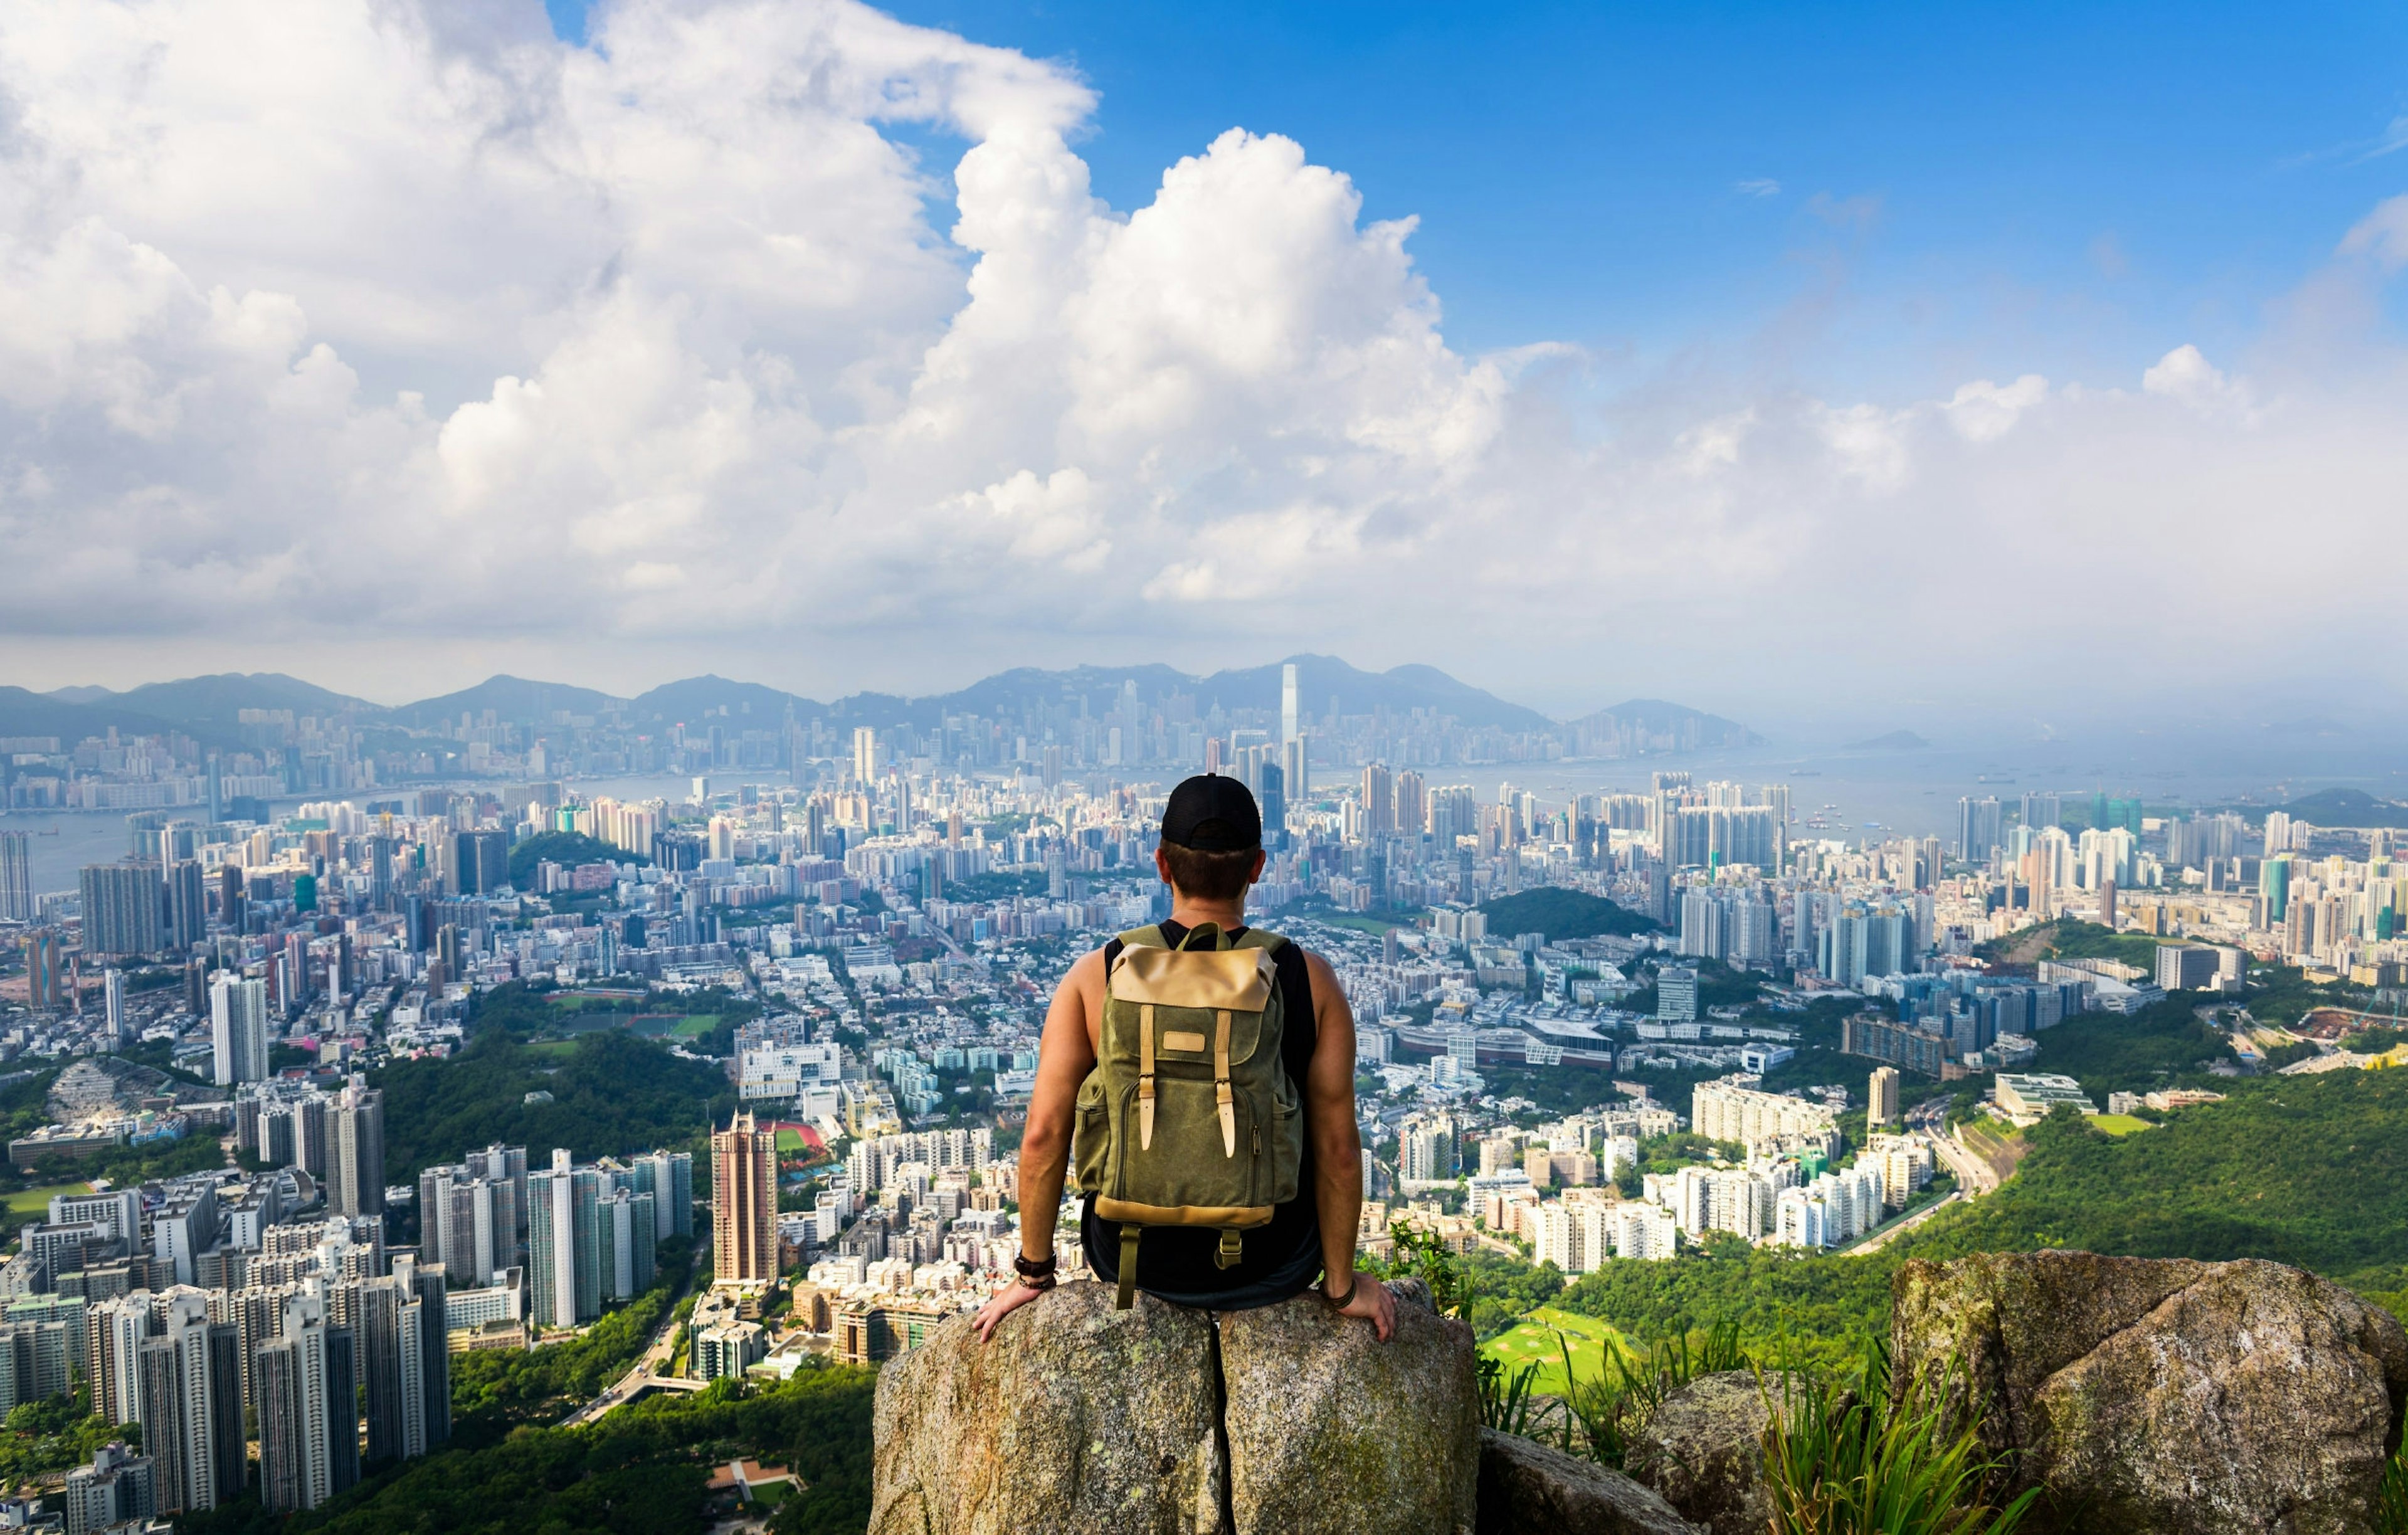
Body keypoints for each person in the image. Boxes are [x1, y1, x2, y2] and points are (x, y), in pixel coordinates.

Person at [974, 774, 1395, 1342]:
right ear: (1257, 867)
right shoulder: (1308, 980)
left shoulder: (1098, 974)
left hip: (1134, 1261)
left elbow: (1044, 1134)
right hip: (1272, 1263)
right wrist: (1342, 1288)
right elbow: (1340, 1152)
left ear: (1162, 865)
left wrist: (1034, 1271)